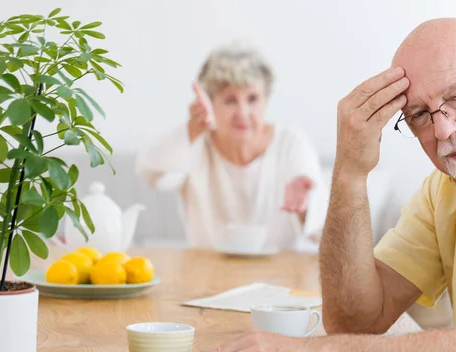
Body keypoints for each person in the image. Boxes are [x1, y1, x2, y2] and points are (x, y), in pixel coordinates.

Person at [185, 18, 456, 352]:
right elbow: (355, 321)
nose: (443, 130)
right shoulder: (445, 188)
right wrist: (350, 173)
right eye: (420, 115)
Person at [136, 45, 328, 251]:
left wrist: (304, 203)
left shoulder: (291, 143)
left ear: (266, 100)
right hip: (207, 274)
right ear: (210, 103)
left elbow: (322, 228)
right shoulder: (196, 145)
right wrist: (191, 130)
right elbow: (150, 173)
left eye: (252, 99)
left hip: (278, 274)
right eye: (230, 100)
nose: (243, 113)